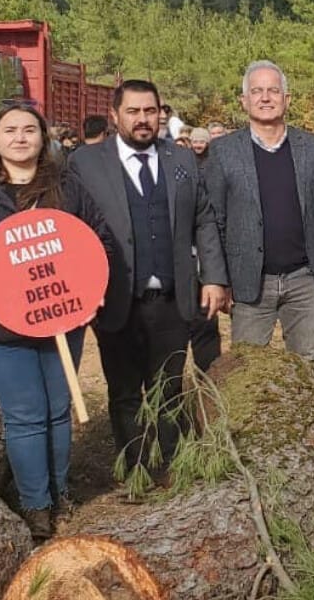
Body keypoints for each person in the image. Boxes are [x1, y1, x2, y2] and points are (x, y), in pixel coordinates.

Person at [0, 106, 116, 540]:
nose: (20, 138)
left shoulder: (68, 187)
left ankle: (60, 491)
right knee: (26, 415)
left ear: (43, 138)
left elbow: (98, 238)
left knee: (57, 411)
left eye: (29, 129)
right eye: (10, 130)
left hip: (61, 318)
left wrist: (94, 283)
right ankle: (36, 505)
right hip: (1, 325)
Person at [66, 80, 228, 479]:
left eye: (150, 112)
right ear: (116, 115)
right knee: (124, 392)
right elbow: (72, 228)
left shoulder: (182, 159)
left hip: (173, 299)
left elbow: (204, 219)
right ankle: (136, 467)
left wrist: (213, 278)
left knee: (170, 387)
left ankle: (172, 466)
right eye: (134, 112)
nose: (143, 120)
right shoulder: (85, 164)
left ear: (161, 114)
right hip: (116, 297)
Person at [203, 61, 314, 360]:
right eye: (256, 91)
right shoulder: (223, 151)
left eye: (273, 90)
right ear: (244, 101)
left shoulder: (312, 147)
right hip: (250, 282)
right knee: (248, 371)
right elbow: (214, 221)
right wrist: (218, 278)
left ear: (287, 99)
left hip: (303, 278)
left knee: (307, 367)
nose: (265, 98)